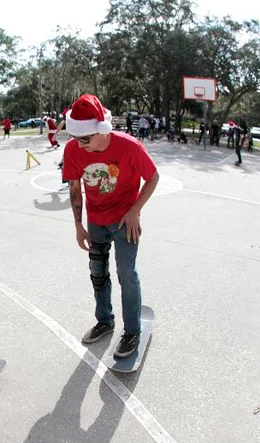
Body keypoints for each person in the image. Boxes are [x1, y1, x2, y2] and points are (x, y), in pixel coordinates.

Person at [62, 94, 160, 359]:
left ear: (101, 130)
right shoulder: (73, 149)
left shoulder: (129, 147)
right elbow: (74, 188)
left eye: (85, 139)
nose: (79, 145)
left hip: (124, 222)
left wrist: (135, 211)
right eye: (76, 138)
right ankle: (105, 321)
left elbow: (152, 177)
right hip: (96, 222)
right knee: (97, 273)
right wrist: (78, 226)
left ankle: (132, 331)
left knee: (126, 274)